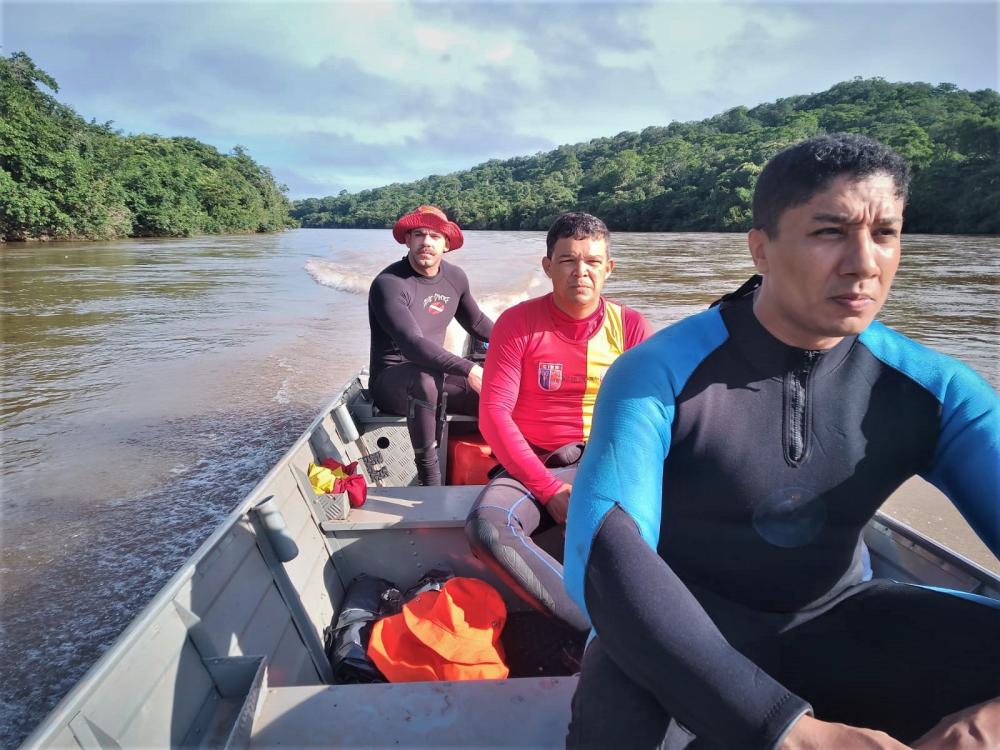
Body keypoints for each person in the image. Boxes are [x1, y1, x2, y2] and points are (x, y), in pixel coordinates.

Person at [563, 134, 1000, 749]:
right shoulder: (658, 373)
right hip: (675, 631)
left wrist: (989, 722)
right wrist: (791, 733)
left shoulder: (936, 390)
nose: (864, 263)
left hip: (835, 617)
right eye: (829, 232)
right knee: (616, 695)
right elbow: (604, 556)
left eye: (885, 233)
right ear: (761, 249)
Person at [466, 212, 651, 632]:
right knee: (488, 527)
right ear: (548, 266)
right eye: (567, 260)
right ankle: (596, 633)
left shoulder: (631, 327)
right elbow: (494, 415)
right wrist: (549, 489)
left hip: (605, 461)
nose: (580, 271)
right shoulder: (517, 323)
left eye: (593, 261)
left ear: (609, 268)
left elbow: (648, 419)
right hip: (534, 464)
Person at [368, 205, 493, 486]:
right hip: (392, 383)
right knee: (424, 378)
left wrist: (525, 346)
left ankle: (509, 466)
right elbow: (413, 345)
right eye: (419, 234)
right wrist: (470, 369)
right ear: (408, 240)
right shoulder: (389, 283)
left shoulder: (455, 278)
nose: (426, 242)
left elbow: (478, 324)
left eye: (435, 236)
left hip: (438, 375)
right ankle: (430, 480)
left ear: (446, 244)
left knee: (499, 392)